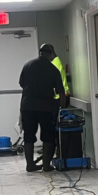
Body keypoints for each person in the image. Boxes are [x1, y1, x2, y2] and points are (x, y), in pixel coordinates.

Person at [18, 43, 66, 173]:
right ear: (50, 54)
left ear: (39, 52)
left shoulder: (27, 65)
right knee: (48, 135)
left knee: (28, 135)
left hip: (27, 106)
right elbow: (61, 92)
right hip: (45, 107)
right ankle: (46, 165)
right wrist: (62, 108)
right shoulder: (53, 69)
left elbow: (22, 83)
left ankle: (30, 165)